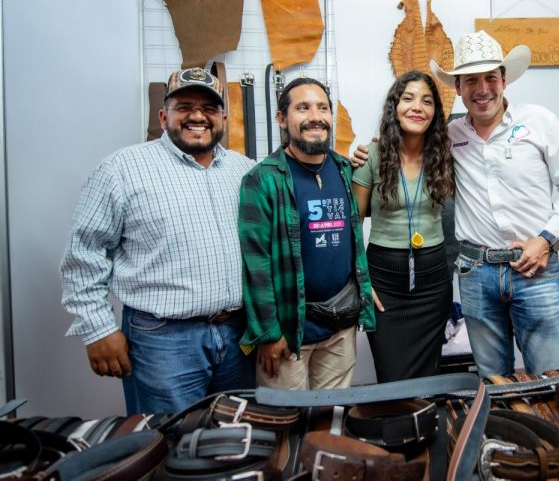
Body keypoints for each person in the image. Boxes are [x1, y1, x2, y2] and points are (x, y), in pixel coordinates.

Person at [354, 30, 559, 376]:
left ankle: (549, 433)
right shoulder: (448, 137)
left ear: (504, 80)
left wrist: (548, 238)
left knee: (550, 376)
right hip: (476, 274)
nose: (482, 90)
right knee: (492, 378)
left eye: (490, 78)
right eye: (471, 81)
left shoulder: (539, 121)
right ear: (458, 88)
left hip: (535, 268)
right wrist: (372, 150)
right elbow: (406, 144)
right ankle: (500, 432)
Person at [61, 67, 256, 414]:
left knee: (235, 439)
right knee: (168, 444)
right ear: (164, 115)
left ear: (223, 117)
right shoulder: (121, 169)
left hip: (238, 335)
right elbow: (85, 252)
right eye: (185, 106)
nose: (197, 116)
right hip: (162, 340)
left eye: (209, 108)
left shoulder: (245, 171)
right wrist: (98, 329)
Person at [239, 77, 375, 390]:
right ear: (282, 118)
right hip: (289, 330)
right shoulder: (262, 180)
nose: (315, 116)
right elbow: (256, 266)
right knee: (287, 425)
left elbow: (353, 244)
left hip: (340, 328)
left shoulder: (344, 169)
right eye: (303, 107)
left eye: (323, 108)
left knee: (330, 423)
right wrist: (268, 333)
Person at [352, 71, 454, 382]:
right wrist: (361, 282)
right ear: (394, 107)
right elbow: (353, 225)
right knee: (392, 377)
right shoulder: (371, 155)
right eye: (408, 98)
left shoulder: (447, 156)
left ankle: (424, 431)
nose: (417, 107)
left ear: (435, 112)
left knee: (428, 378)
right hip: (384, 282)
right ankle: (397, 431)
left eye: (426, 101)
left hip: (434, 283)